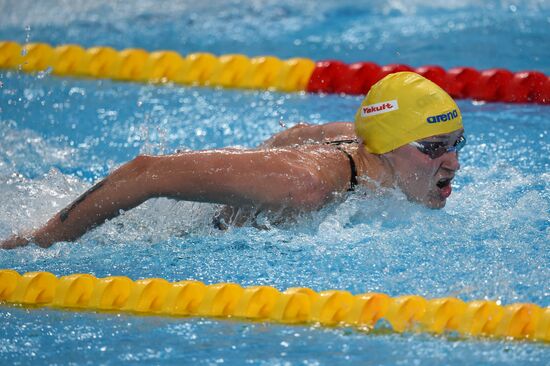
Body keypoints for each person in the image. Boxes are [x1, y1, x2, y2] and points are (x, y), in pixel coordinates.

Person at [0, 72, 465, 249]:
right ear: (385, 147)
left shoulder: (362, 144)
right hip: (160, 230)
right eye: (433, 147)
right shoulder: (307, 186)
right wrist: (40, 241)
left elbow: (301, 134)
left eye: (456, 143)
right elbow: (147, 172)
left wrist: (251, 175)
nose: (453, 163)